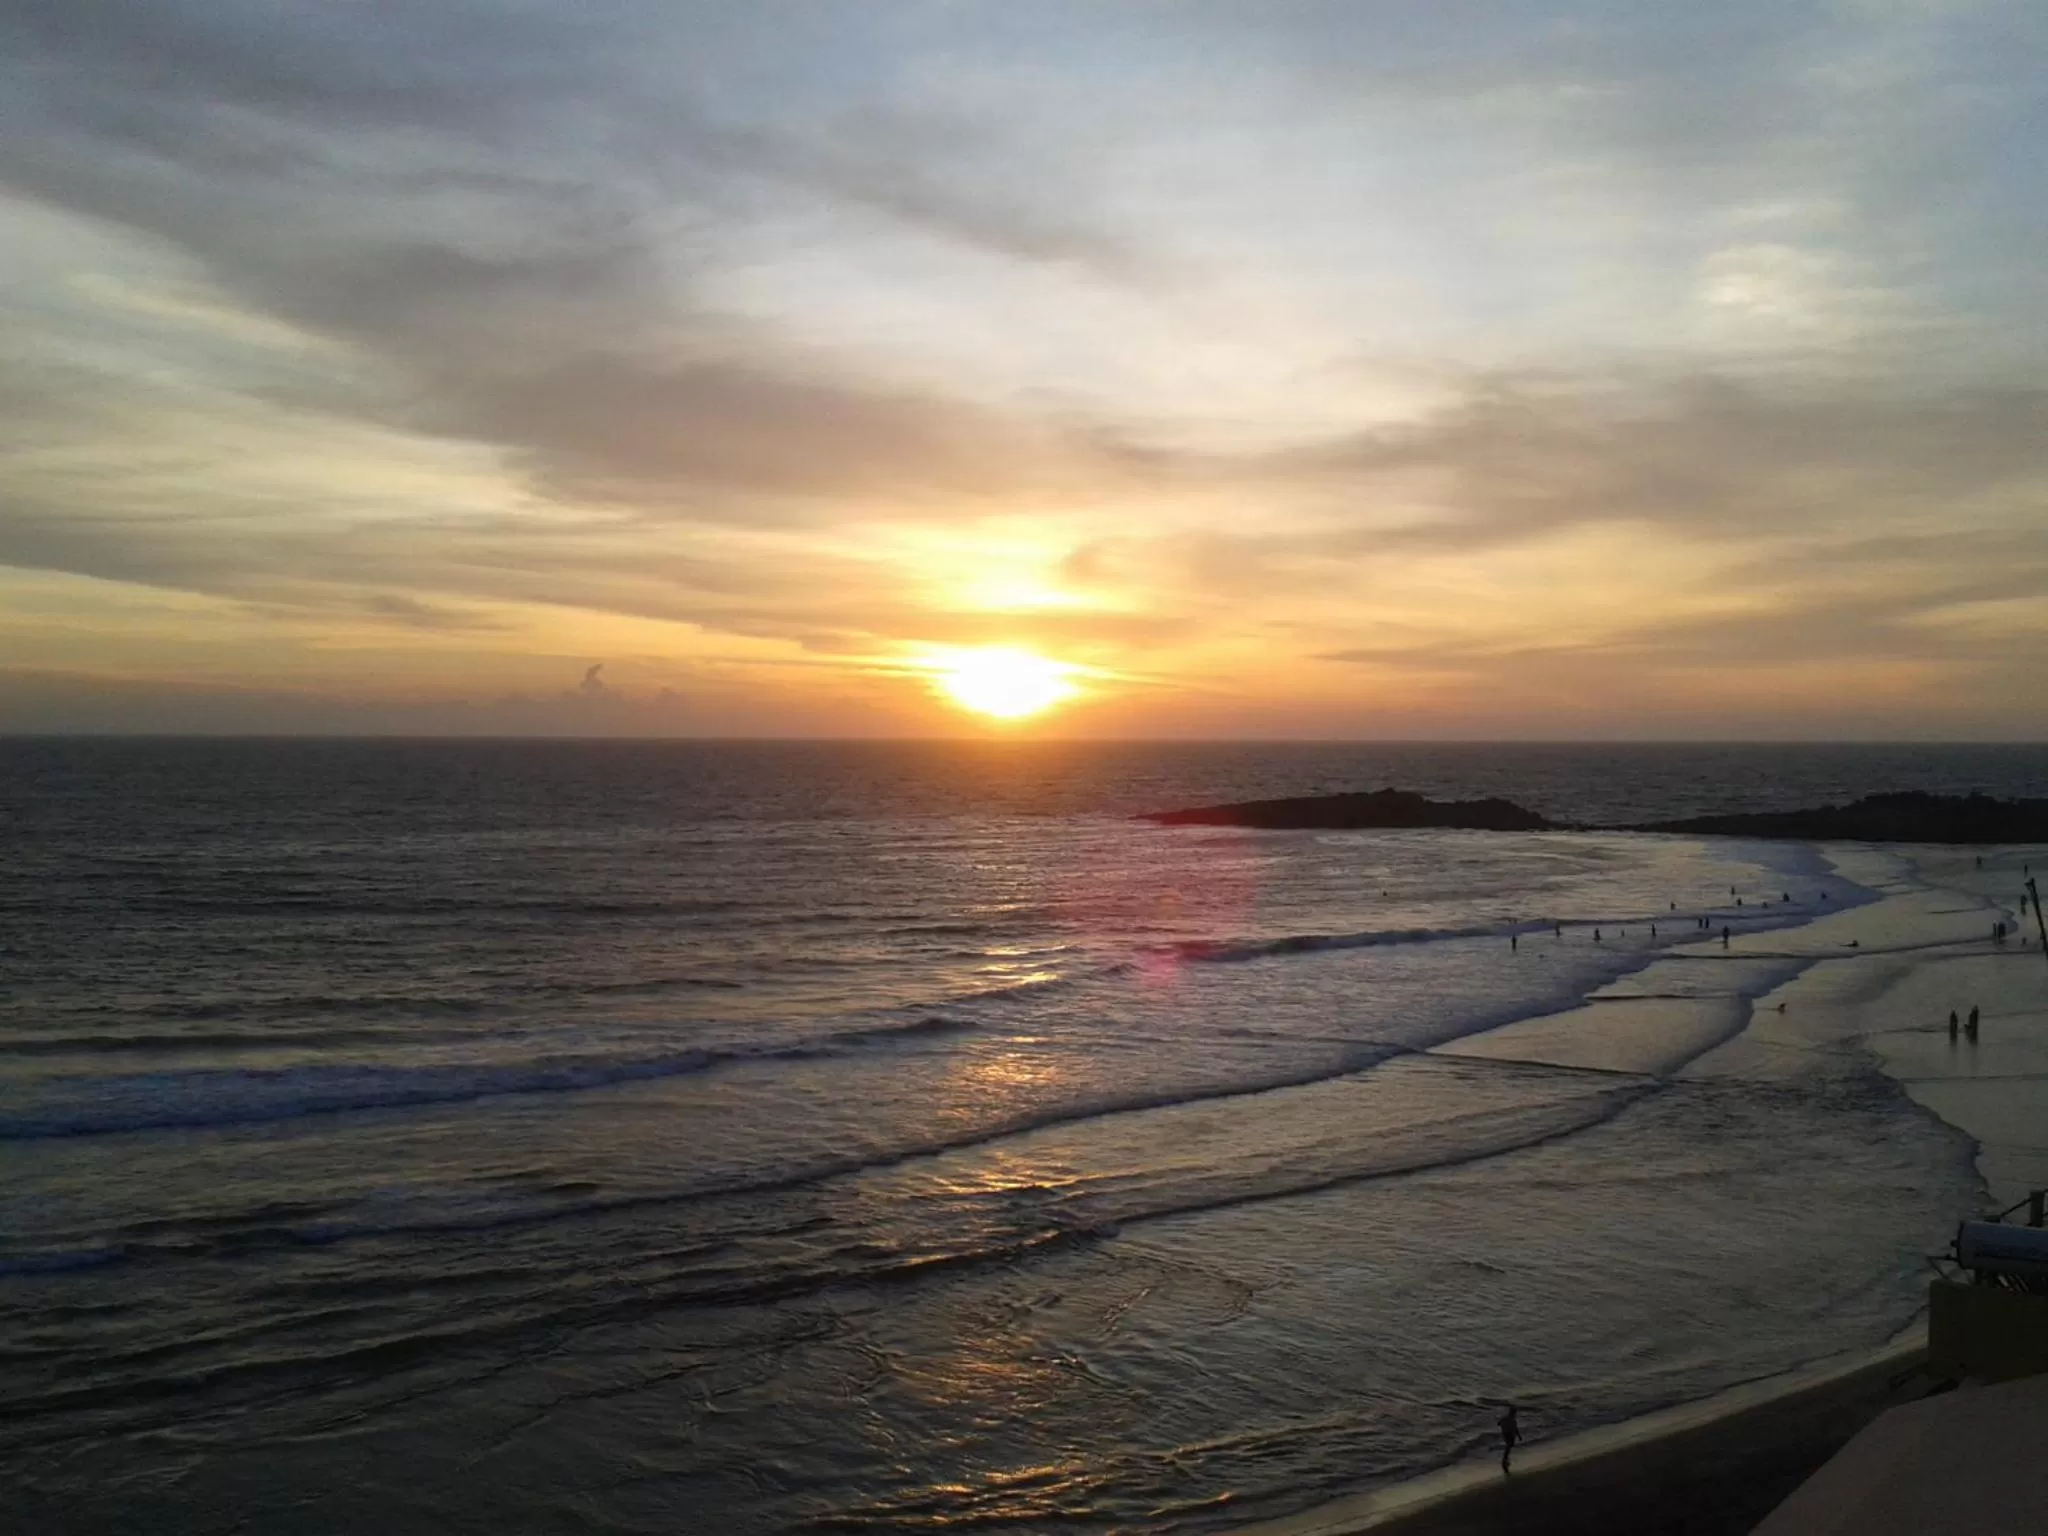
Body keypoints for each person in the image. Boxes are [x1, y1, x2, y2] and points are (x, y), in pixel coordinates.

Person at [1498, 1403, 1521, 1473]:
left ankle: (1505, 1459)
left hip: (1505, 1433)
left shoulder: (1505, 1418)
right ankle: (1505, 1459)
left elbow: (1498, 1423)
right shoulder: (1513, 1421)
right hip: (1509, 1434)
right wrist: (1519, 1436)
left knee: (1509, 1446)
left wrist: (1503, 1426)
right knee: (1509, 1445)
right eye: (1515, 1413)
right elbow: (1516, 1429)